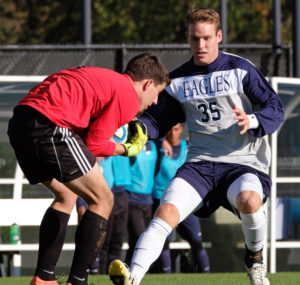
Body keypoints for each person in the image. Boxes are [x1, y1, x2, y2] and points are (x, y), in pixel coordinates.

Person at [108, 7, 284, 285]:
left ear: (219, 36)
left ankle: (255, 261)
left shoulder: (241, 70)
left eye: (206, 38)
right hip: (200, 164)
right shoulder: (177, 80)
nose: (200, 45)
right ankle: (133, 277)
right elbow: (156, 121)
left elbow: (276, 108)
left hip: (243, 163)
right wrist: (137, 129)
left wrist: (253, 120)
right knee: (165, 212)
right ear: (187, 38)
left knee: (250, 201)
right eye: (194, 39)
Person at [7, 53, 170, 285]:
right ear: (147, 84)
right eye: (158, 93)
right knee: (103, 199)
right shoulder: (128, 95)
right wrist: (126, 149)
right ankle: (78, 280)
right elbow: (95, 145)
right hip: (50, 124)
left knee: (66, 195)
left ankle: (43, 278)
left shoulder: (105, 79)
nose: (155, 101)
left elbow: (84, 136)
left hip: (21, 122)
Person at [152, 123, 210, 274]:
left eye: (176, 129)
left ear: (182, 130)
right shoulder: (159, 148)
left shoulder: (189, 147)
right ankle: (167, 278)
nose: (172, 133)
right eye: (169, 129)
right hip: (162, 200)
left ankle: (207, 276)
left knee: (196, 242)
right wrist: (161, 141)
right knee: (164, 242)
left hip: (186, 202)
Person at [125, 140, 157, 264]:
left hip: (148, 200)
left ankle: (129, 271)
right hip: (132, 198)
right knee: (140, 237)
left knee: (137, 241)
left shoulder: (155, 146)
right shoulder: (133, 145)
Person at [98, 155, 131, 274]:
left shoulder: (125, 137)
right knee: (104, 241)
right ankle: (100, 274)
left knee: (118, 240)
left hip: (122, 192)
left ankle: (115, 274)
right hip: (105, 192)